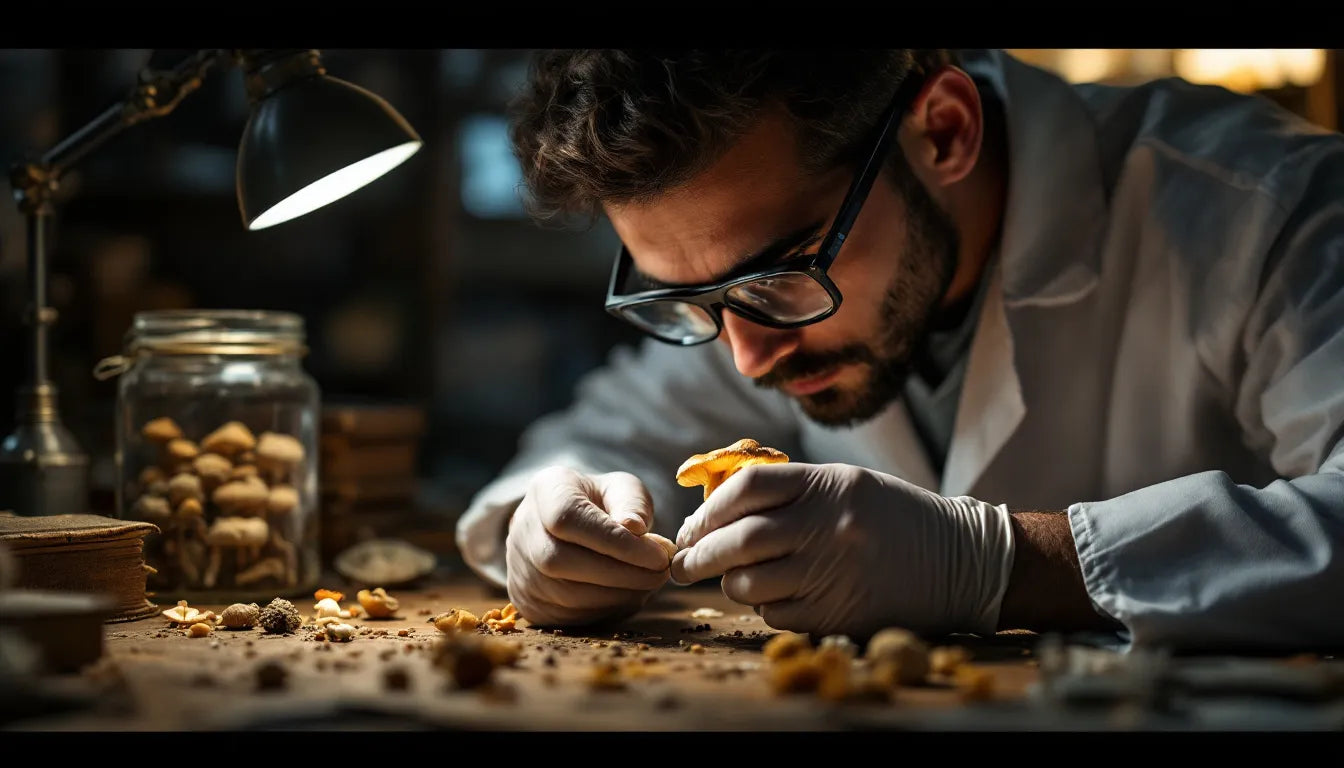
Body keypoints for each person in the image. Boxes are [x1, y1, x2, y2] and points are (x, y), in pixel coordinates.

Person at [454, 49, 1344, 651]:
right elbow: (604, 434)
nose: (748, 359)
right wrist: (552, 518)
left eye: (781, 277)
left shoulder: (1271, 213)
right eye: (694, 300)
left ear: (945, 129)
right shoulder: (748, 291)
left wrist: (1005, 564)